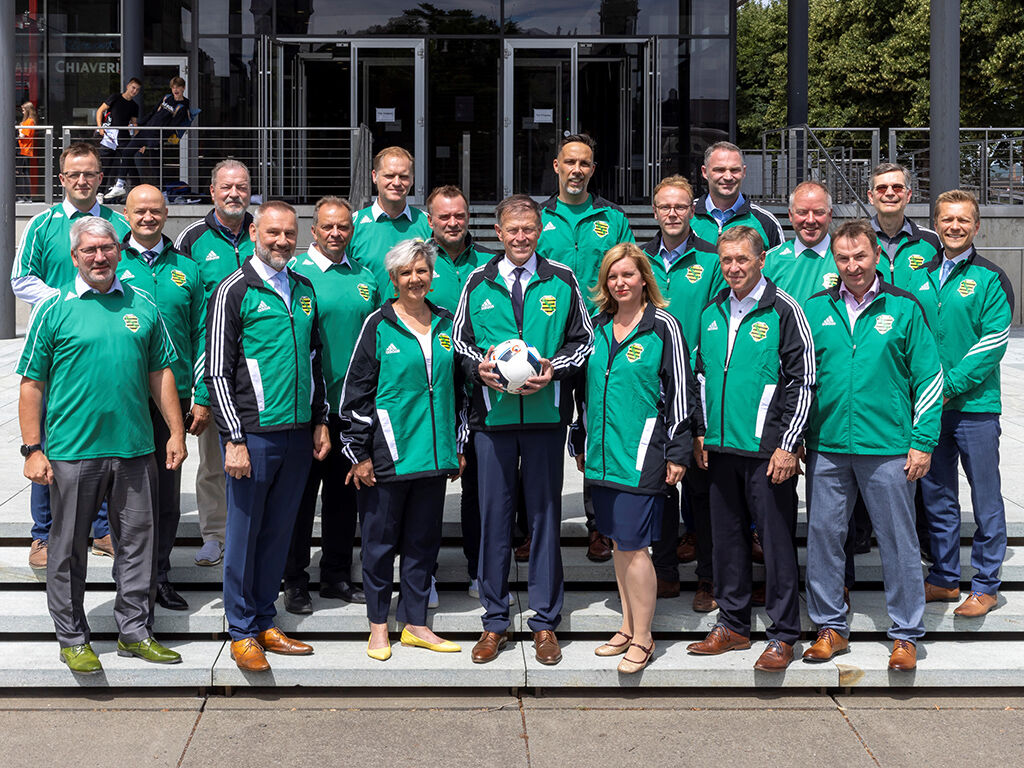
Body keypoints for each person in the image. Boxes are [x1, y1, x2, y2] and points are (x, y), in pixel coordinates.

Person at [17, 216, 185, 674]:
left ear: (118, 251)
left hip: (134, 449)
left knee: (137, 544)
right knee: (67, 547)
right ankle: (72, 637)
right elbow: (32, 384)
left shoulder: (142, 304)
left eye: (107, 248)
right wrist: (33, 449)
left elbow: (161, 373)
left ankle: (134, 631)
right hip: (73, 452)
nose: (99, 257)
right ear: (75, 257)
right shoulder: (54, 308)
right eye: (89, 250)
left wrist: (174, 430)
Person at [454, 194, 594, 666]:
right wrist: (481, 370)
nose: (520, 237)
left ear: (540, 231)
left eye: (528, 230)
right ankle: (494, 622)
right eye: (512, 230)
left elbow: (584, 343)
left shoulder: (563, 279)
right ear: (498, 232)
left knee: (543, 520)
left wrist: (554, 370)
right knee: (495, 519)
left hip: (545, 421)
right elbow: (459, 343)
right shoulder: (478, 281)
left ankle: (545, 622)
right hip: (492, 424)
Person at [802, 219, 942, 671]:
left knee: (897, 540)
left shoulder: (903, 306)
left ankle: (904, 634)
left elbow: (929, 378)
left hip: (887, 446)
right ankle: (830, 628)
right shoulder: (815, 308)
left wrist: (922, 440)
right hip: (827, 444)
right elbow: (799, 378)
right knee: (824, 536)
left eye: (860, 256)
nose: (852, 265)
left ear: (876, 256)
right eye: (842, 258)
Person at [205, 200, 330, 672]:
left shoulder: (303, 288)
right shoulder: (233, 290)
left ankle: (263, 618)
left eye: (289, 234)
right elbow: (217, 372)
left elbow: (316, 362)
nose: (281, 241)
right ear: (254, 232)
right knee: (243, 534)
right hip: (252, 436)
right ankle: (241, 630)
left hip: (297, 433)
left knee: (278, 533)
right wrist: (233, 438)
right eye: (272, 233)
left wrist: (319, 419)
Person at [687, 225, 814, 671]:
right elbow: (699, 376)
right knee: (725, 543)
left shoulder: (783, 310)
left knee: (777, 544)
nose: (734, 268)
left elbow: (803, 381)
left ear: (761, 261)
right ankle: (734, 624)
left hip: (767, 453)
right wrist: (700, 431)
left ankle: (782, 634)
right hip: (720, 449)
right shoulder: (712, 310)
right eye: (727, 260)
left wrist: (787, 445)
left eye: (742, 259)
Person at [569, 243, 692, 674]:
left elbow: (681, 391)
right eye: (613, 277)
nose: (620, 283)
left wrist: (678, 450)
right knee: (620, 543)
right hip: (602, 455)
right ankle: (626, 624)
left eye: (628, 275)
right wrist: (579, 437)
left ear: (644, 279)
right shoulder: (596, 328)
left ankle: (644, 637)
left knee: (638, 547)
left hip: (641, 455)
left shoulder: (664, 327)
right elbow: (582, 391)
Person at [340, 239, 466, 660]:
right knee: (378, 544)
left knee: (422, 544)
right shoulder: (378, 324)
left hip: (433, 457)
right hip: (388, 456)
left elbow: (460, 392)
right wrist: (358, 453)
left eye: (422, 271)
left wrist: (457, 443)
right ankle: (378, 626)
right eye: (406, 273)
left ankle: (415, 624)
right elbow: (355, 393)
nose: (416, 279)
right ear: (393, 279)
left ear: (433, 276)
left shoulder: (448, 324)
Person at [11, 141, 129, 569]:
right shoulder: (43, 226)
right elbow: (21, 279)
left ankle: (100, 528)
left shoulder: (119, 223)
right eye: (74, 174)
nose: (83, 180)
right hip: (57, 347)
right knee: (49, 438)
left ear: (101, 178)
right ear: (62, 179)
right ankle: (43, 534)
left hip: (109, 347)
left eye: (91, 173)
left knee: (103, 436)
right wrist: (64, 302)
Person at [536, 132, 634, 562]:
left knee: (599, 430)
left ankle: (600, 527)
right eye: (569, 162)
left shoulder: (611, 218)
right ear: (556, 166)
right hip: (549, 348)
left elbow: (627, 272)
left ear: (593, 170)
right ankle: (534, 525)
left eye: (585, 164)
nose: (576, 170)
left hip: (600, 343)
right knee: (540, 435)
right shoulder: (538, 218)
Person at [916, 190, 1014, 618]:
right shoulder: (919, 273)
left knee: (986, 497)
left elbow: (992, 343)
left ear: (977, 226)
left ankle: (987, 583)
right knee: (937, 497)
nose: (954, 226)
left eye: (963, 220)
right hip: (930, 413)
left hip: (974, 407)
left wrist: (945, 385)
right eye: (946, 219)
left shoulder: (993, 278)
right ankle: (943, 577)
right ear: (936, 225)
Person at [282, 196, 379, 614]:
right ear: (313, 231)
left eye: (343, 227)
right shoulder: (294, 276)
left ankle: (336, 575)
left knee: (344, 501)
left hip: (352, 409)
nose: (336, 233)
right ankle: (295, 580)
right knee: (301, 502)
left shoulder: (366, 277)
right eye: (328, 227)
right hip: (307, 411)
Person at [118, 184, 209, 611]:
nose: (148, 218)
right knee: (126, 495)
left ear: (167, 212)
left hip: (174, 401)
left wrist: (203, 395)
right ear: (126, 213)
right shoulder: (110, 264)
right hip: (123, 400)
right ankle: (129, 579)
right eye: (140, 211)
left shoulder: (187, 270)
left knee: (166, 497)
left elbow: (203, 335)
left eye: (156, 210)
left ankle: (160, 574)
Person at [640, 174, 722, 610]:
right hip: (651, 389)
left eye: (681, 206)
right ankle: (667, 571)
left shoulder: (710, 260)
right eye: (665, 207)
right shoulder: (640, 260)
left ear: (694, 210)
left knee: (702, 488)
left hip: (696, 388)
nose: (673, 214)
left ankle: (707, 578)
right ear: (654, 212)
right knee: (660, 485)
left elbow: (716, 325)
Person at [175, 159, 254, 569]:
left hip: (258, 373)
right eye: (226, 187)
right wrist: (197, 387)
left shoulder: (264, 233)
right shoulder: (192, 239)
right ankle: (214, 535)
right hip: (211, 374)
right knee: (212, 460)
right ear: (212, 191)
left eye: (241, 186)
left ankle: (249, 536)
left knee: (253, 457)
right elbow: (185, 313)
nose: (234, 194)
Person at [425, 184, 496, 598]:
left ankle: (478, 569)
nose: (453, 223)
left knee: (479, 489)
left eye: (460, 216)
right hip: (430, 391)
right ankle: (425, 572)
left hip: (479, 390)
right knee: (429, 485)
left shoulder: (489, 262)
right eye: (444, 217)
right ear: (430, 220)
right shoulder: (417, 261)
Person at [348, 146, 432, 291]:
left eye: (404, 176)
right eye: (389, 176)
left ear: (412, 179)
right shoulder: (352, 225)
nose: (397, 183)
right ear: (374, 176)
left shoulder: (427, 224)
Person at [690, 141, 784, 250]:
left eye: (734, 170)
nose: (728, 177)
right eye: (720, 170)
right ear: (705, 172)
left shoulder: (765, 222)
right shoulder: (686, 216)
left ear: (743, 172)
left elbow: (780, 265)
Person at [867, 163, 941, 291]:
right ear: (871, 197)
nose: (889, 193)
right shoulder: (855, 240)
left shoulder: (931, 241)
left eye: (897, 188)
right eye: (881, 188)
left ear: (908, 195)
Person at [764, 181, 838, 305]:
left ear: (830, 215)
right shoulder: (769, 261)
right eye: (802, 212)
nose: (810, 220)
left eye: (818, 212)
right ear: (790, 215)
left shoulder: (847, 259)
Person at [126, 76, 192, 189]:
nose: (175, 90)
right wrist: (139, 124)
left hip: (157, 136)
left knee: (155, 165)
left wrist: (162, 138)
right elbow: (153, 113)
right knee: (126, 153)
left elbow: (173, 126)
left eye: (178, 87)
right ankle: (135, 184)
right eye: (173, 87)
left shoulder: (183, 105)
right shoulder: (167, 97)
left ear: (183, 88)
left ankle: (163, 191)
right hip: (146, 131)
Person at [95, 77, 142, 202]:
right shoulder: (115, 97)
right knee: (105, 165)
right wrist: (100, 127)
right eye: (133, 88)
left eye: (137, 90)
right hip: (110, 136)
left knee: (129, 163)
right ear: (128, 86)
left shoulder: (134, 106)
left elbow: (134, 123)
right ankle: (99, 193)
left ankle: (137, 191)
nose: (134, 91)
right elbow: (100, 110)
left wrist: (140, 141)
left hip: (123, 136)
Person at [16, 100, 37, 202]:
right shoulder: (30, 121)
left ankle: (22, 197)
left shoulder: (29, 122)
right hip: (26, 150)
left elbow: (22, 135)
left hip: (23, 150)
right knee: (24, 173)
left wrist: (19, 129)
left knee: (20, 173)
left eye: (24, 110)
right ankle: (27, 197)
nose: (23, 112)